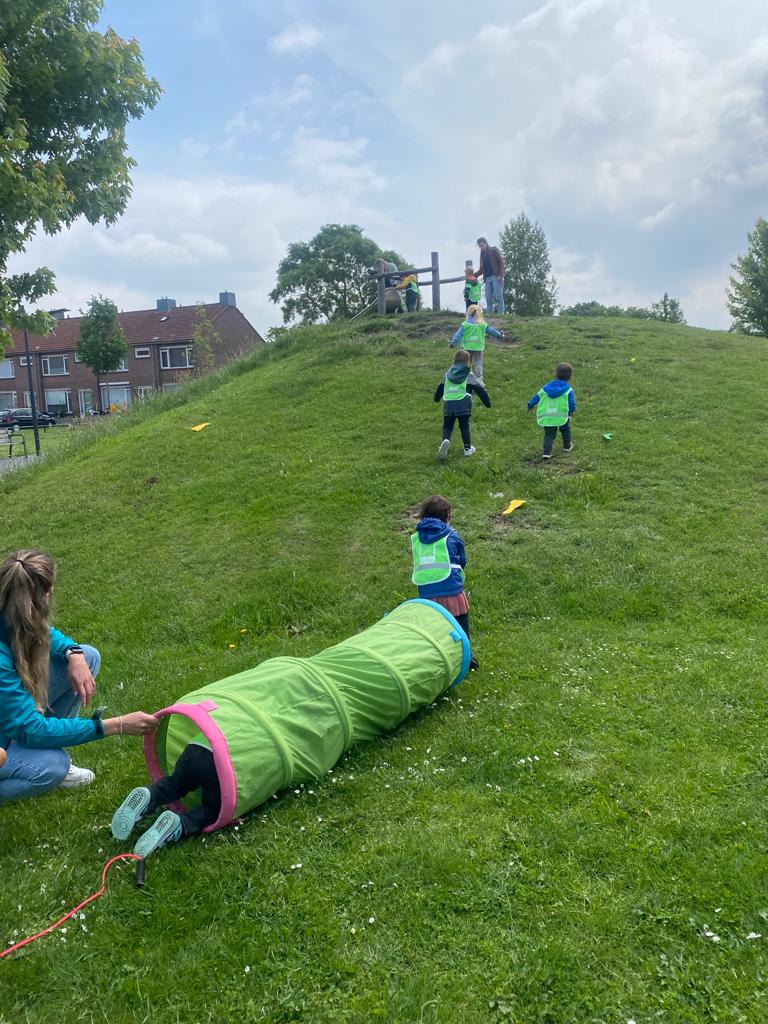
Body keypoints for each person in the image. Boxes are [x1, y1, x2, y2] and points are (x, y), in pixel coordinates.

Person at [0, 550, 159, 804]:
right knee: (53, 766)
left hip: (8, 724)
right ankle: (34, 761)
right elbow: (30, 729)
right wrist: (115, 725)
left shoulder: (9, 610)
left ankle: (39, 749)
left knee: (88, 656)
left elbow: (42, 631)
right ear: (45, 596)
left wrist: (73, 653)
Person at [111, 741, 219, 858]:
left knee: (177, 782)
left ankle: (151, 795)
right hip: (220, 761)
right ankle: (180, 823)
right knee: (213, 810)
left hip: (197, 746)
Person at [410, 495, 478, 670]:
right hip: (451, 589)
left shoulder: (416, 538)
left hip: (426, 593)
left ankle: (436, 659)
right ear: (446, 515)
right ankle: (466, 658)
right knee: (460, 622)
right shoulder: (451, 535)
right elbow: (462, 560)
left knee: (434, 627)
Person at [434, 348, 491, 460]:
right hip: (463, 404)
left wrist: (436, 398)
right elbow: (479, 388)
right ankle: (467, 449)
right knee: (464, 426)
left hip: (449, 404)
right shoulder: (469, 374)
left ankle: (444, 443)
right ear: (468, 362)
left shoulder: (447, 374)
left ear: (454, 361)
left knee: (447, 426)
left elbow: (440, 388)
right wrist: (487, 402)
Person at [527, 362, 576, 459]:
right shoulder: (568, 390)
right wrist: (572, 410)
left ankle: (546, 453)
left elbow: (537, 396)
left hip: (547, 415)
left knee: (549, 434)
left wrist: (530, 405)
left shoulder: (545, 388)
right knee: (565, 429)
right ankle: (567, 446)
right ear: (570, 377)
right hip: (562, 415)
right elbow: (571, 402)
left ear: (556, 374)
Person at [449, 304, 504, 384]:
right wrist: (500, 335)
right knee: (478, 363)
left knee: (466, 362)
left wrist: (452, 343)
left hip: (467, 348)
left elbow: (458, 335)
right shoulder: (482, 324)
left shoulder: (465, 324)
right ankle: (479, 380)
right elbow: (491, 331)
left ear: (468, 312)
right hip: (478, 347)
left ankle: (465, 378)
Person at [476, 237, 505, 314]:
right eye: (479, 246)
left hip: (496, 277)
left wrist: (501, 275)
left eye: (482, 245)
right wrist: (472, 276)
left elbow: (501, 262)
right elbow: (481, 270)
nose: (481, 247)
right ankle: (489, 317)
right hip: (487, 279)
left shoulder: (494, 250)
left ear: (486, 243)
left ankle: (500, 316)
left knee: (498, 297)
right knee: (488, 299)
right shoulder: (482, 255)